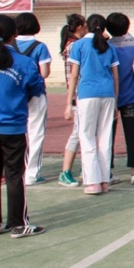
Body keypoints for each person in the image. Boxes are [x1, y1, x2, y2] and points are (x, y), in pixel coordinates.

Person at [0, 14, 46, 238]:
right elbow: (36, 88)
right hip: (12, 127)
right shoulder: (24, 63)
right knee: (14, 175)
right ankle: (18, 224)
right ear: (15, 34)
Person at [65, 14, 119, 196]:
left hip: (87, 94)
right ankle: (104, 180)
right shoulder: (109, 47)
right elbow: (115, 76)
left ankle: (93, 182)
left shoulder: (79, 45)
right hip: (108, 94)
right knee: (105, 138)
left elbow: (74, 75)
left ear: (86, 26)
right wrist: (116, 100)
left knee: (87, 137)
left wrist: (68, 102)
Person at [13, 13, 52, 186]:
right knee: (36, 132)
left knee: (16, 132)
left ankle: (16, 170)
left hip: (14, 93)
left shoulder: (10, 45)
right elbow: (44, 73)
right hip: (35, 92)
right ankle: (31, 173)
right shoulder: (40, 46)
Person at [106, 13, 134, 185]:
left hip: (111, 97)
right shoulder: (133, 44)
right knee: (132, 135)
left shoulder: (106, 46)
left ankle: (108, 171)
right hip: (131, 96)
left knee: (108, 136)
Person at [57, 14, 87, 187]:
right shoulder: (75, 45)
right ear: (79, 27)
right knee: (78, 133)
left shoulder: (72, 44)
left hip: (79, 94)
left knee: (83, 133)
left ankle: (84, 168)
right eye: (85, 25)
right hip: (78, 94)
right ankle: (65, 171)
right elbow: (76, 74)